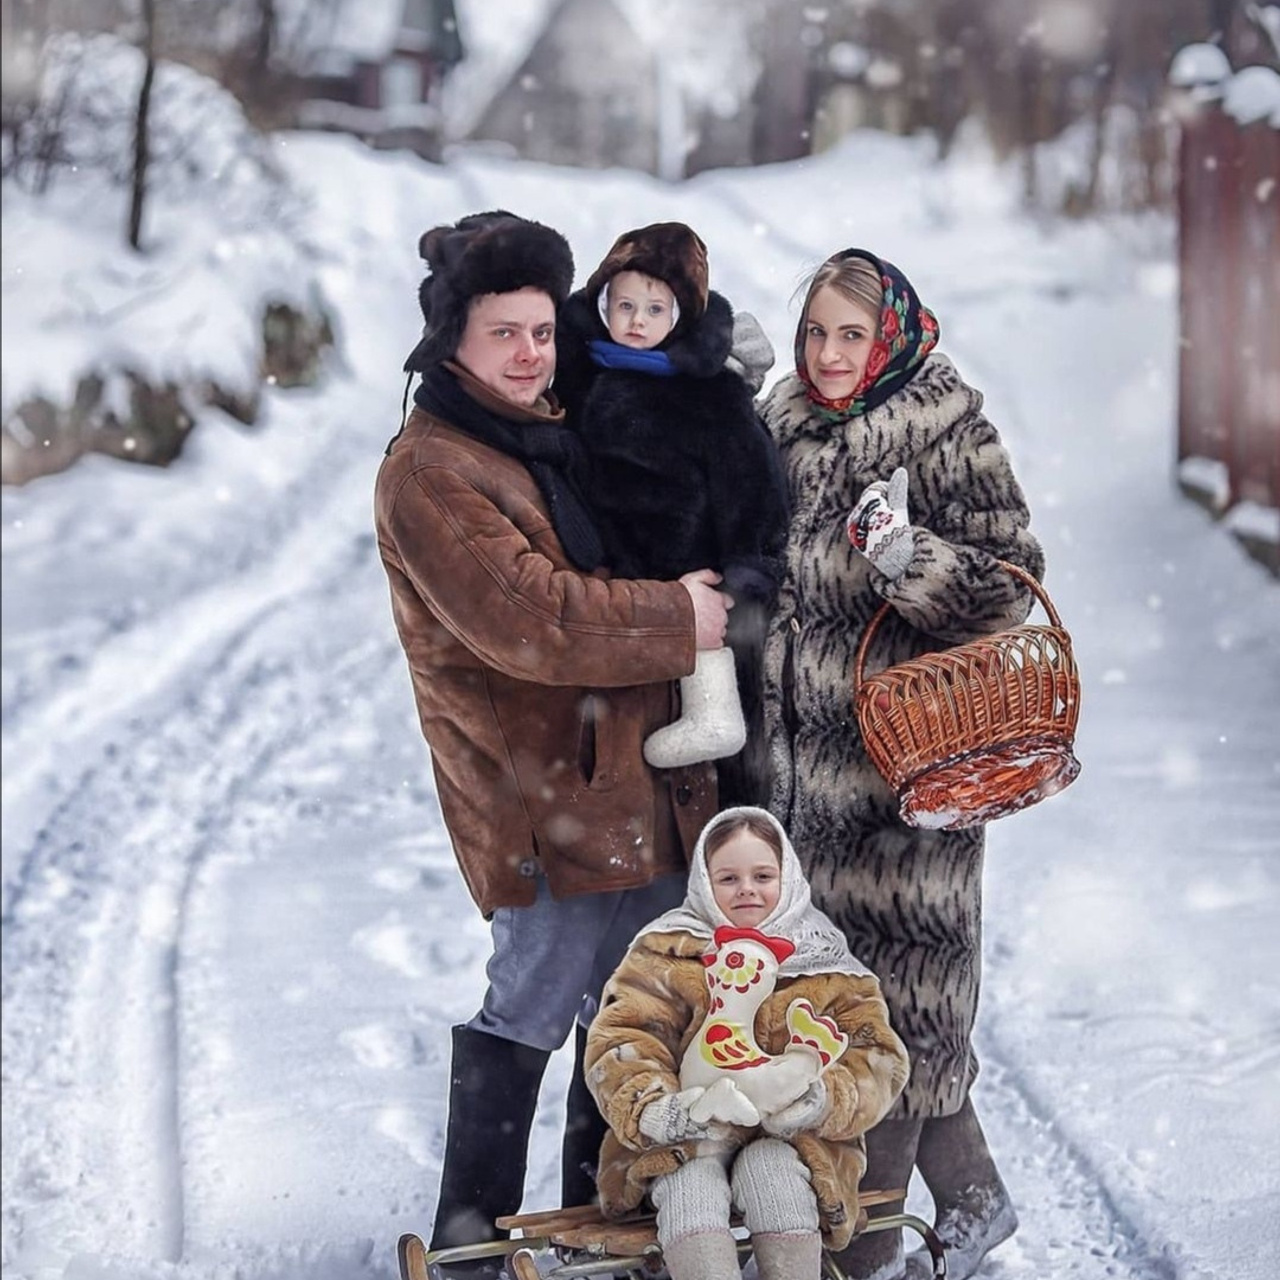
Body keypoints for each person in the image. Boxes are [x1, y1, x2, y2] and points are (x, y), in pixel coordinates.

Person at [374, 210, 734, 1279]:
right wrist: (680, 618)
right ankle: (469, 1229)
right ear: (453, 343)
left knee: (629, 1002)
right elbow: (533, 619)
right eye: (504, 335)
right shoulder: (431, 469)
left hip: (627, 779)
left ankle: (597, 1211)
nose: (531, 354)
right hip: (537, 796)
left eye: (540, 329)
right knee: (531, 997)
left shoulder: (545, 425)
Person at [755, 248, 1044, 1280]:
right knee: (847, 1014)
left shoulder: (942, 428)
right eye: (815, 333)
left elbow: (1010, 580)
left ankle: (862, 1257)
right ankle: (973, 1201)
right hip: (795, 781)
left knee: (892, 1018)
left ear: (891, 339)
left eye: (850, 334)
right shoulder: (781, 425)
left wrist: (906, 556)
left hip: (904, 780)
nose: (828, 354)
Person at [584, 806, 910, 1280]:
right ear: (703, 881)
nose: (747, 890)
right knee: (689, 1183)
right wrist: (653, 1109)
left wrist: (822, 1100)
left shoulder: (827, 962)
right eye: (729, 878)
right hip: (688, 1135)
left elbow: (877, 1056)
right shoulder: (667, 950)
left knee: (773, 1174)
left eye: (762, 875)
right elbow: (625, 1037)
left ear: (788, 877)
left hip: (795, 1140)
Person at [553, 222, 788, 783]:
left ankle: (714, 715)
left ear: (681, 316)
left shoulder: (708, 392)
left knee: (705, 638)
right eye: (625, 305)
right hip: (611, 561)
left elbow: (750, 478)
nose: (636, 322)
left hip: (686, 558)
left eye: (655, 310)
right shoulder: (581, 367)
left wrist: (747, 563)